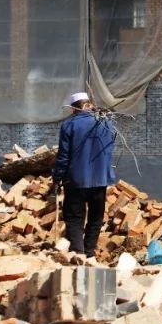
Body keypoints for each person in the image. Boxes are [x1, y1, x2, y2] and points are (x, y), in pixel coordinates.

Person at [52, 92, 117, 261]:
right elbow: (109, 152)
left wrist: (57, 178)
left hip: (75, 180)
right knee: (96, 217)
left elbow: (63, 156)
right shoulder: (106, 123)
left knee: (74, 217)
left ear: (74, 109)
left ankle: (78, 252)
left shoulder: (69, 125)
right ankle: (89, 252)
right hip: (100, 179)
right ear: (89, 104)